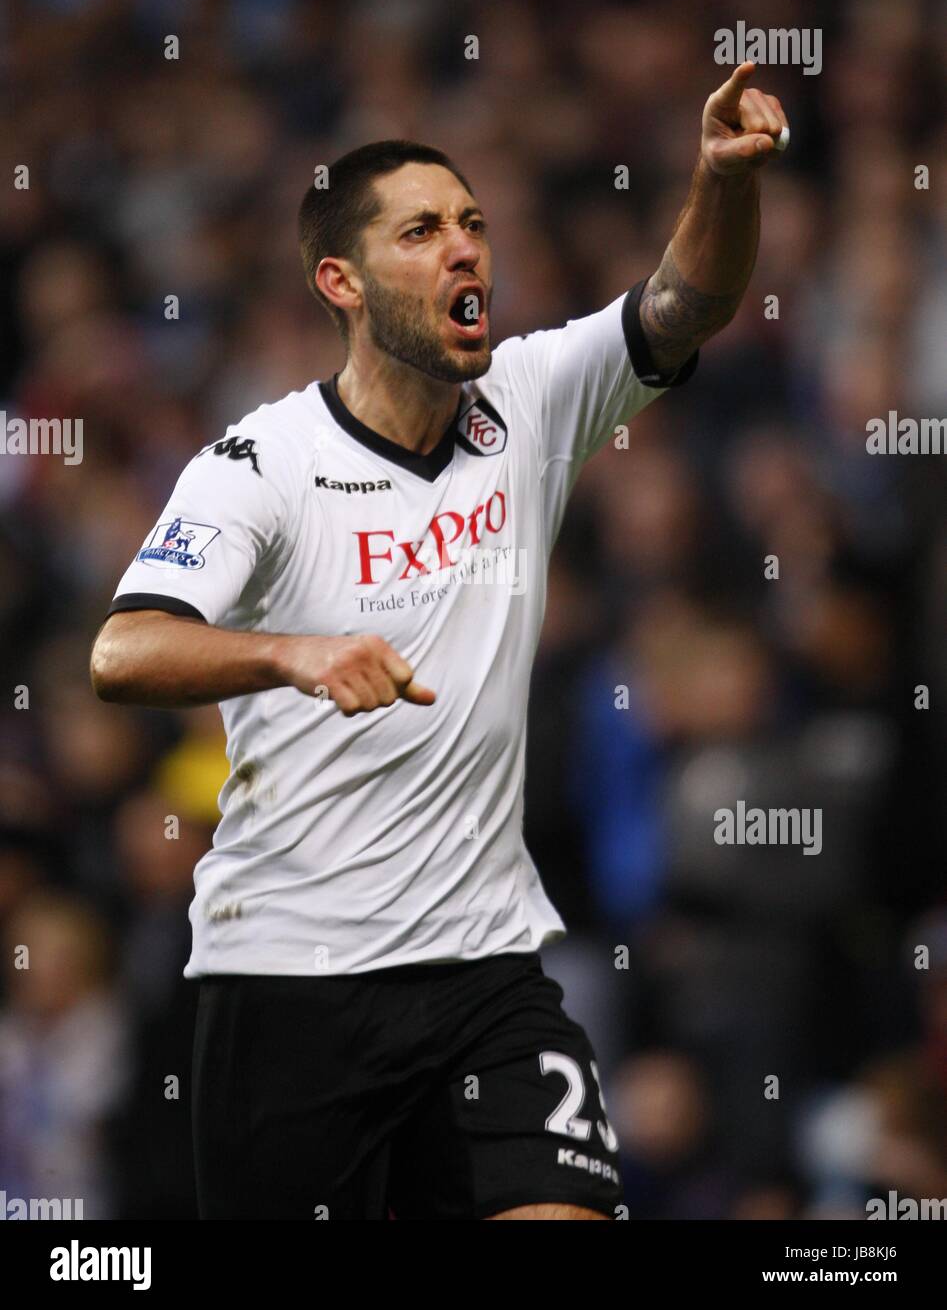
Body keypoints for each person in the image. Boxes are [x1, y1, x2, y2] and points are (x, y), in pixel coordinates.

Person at [90, 63, 788, 1220]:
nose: (464, 249)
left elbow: (684, 303)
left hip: (485, 971)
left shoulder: (530, 399)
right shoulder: (255, 466)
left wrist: (719, 179)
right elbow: (121, 653)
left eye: (472, 224)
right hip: (286, 982)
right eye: (421, 231)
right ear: (342, 282)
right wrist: (293, 653)